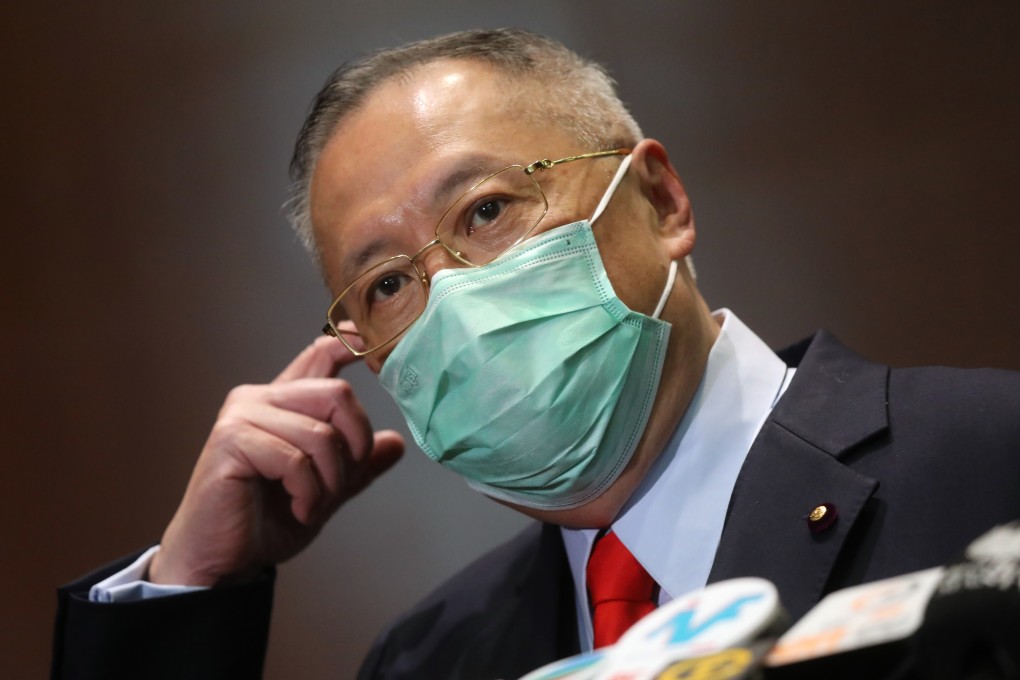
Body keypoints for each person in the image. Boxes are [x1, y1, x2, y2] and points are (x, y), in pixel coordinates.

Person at [51, 28, 1020, 680]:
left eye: (486, 212)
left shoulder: (990, 459)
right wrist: (189, 589)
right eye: (386, 283)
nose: (454, 301)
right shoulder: (429, 656)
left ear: (663, 201)